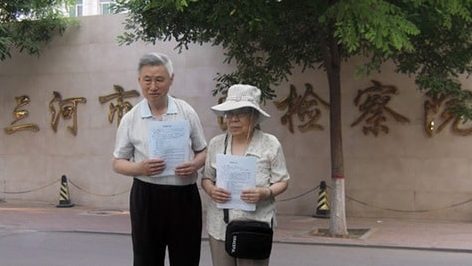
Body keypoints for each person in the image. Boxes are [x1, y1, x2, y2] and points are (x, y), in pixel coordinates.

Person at [112, 52, 207, 266]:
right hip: (147, 196)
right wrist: (140, 168)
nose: (153, 86)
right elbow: (117, 162)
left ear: (171, 80)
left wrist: (195, 164)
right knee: (147, 258)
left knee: (186, 257)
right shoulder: (131, 118)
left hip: (184, 197)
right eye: (147, 80)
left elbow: (203, 151)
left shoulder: (186, 112)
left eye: (159, 79)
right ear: (139, 81)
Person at [202, 84, 290, 266]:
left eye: (240, 113)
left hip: (255, 226)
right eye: (229, 113)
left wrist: (265, 192)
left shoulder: (270, 144)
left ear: (254, 116)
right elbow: (206, 178)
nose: (233, 119)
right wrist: (211, 190)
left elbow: (282, 181)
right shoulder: (216, 144)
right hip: (220, 225)